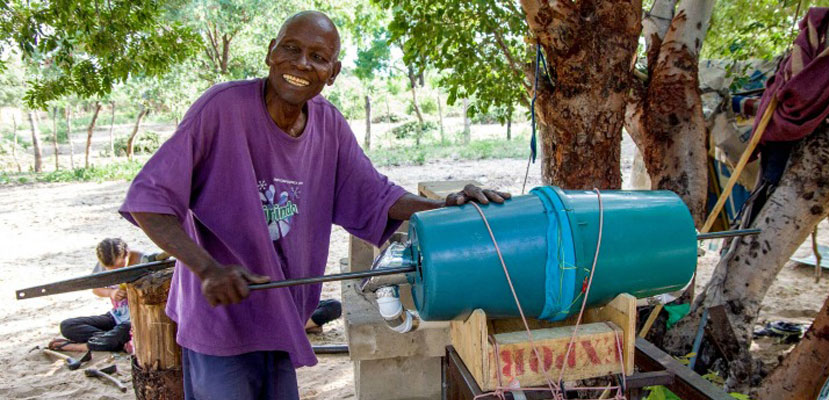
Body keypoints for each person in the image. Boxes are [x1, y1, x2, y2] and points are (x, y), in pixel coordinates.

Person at [119, 10, 509, 399]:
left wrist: (446, 206)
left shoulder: (329, 124)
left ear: (333, 72)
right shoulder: (221, 109)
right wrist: (207, 269)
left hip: (281, 315)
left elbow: (376, 195)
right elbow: (149, 202)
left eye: (318, 57)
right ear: (271, 52)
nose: (302, 64)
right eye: (291, 49)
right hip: (220, 320)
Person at [47, 238, 169, 353]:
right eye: (111, 270)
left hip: (136, 318)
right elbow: (96, 289)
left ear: (126, 254)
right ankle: (111, 341)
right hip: (116, 315)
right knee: (68, 326)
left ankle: (84, 346)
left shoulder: (144, 261)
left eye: (119, 267)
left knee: (123, 330)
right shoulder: (104, 263)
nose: (116, 271)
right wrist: (111, 292)